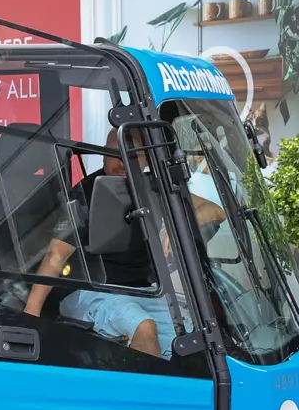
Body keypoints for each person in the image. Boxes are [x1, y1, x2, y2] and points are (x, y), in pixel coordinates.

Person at [23, 128, 225, 358]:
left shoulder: (153, 188)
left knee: (188, 339)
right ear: (102, 155)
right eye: (113, 154)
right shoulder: (85, 195)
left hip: (144, 291)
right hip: (88, 290)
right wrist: (32, 311)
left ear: (145, 159)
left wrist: (179, 225)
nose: (120, 163)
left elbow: (216, 211)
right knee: (144, 327)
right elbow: (56, 255)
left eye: (130, 156)